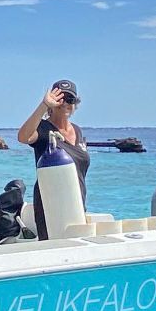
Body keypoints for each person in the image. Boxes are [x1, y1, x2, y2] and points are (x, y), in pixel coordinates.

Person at [17, 79, 90, 238]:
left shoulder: (77, 130)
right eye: (60, 99)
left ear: (75, 103)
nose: (65, 104)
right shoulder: (44, 129)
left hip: (77, 203)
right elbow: (23, 137)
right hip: (51, 209)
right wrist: (44, 105)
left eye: (70, 100)